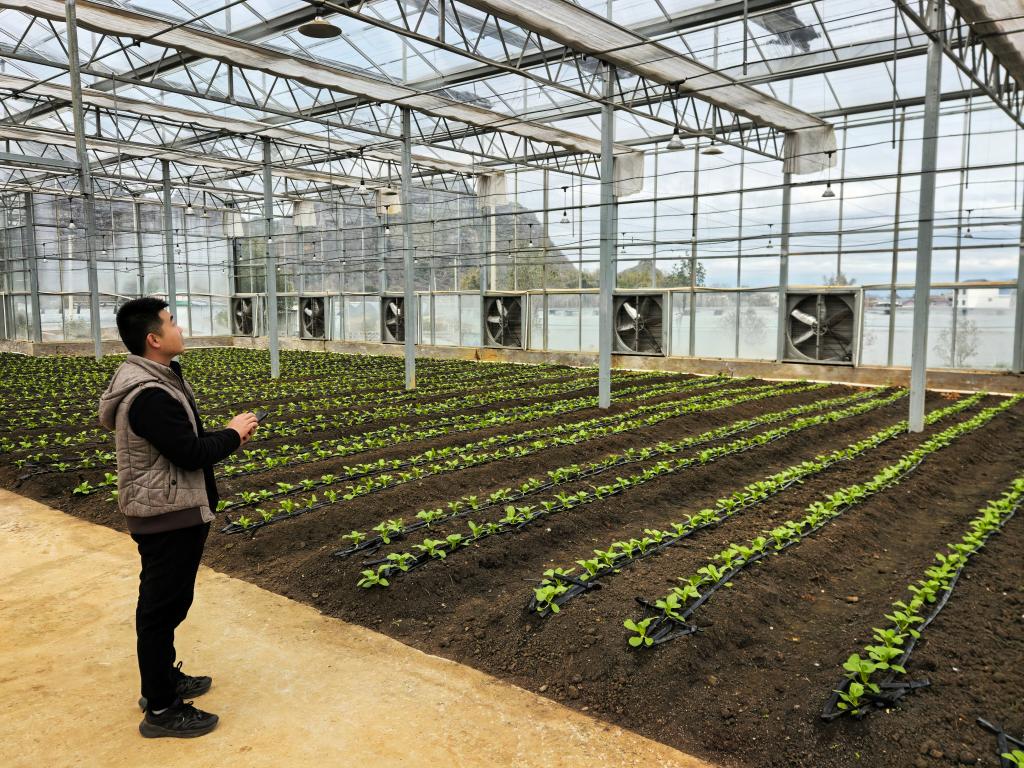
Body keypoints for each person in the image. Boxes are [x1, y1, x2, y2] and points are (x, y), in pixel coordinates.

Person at [98, 297, 259, 738]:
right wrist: (233, 435)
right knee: (160, 609)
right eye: (172, 322)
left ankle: (163, 679)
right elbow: (189, 453)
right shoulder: (150, 394)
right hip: (167, 515)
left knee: (170, 604)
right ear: (154, 338)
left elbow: (182, 443)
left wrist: (228, 436)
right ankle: (162, 708)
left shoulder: (159, 381)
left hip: (171, 510)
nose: (180, 328)